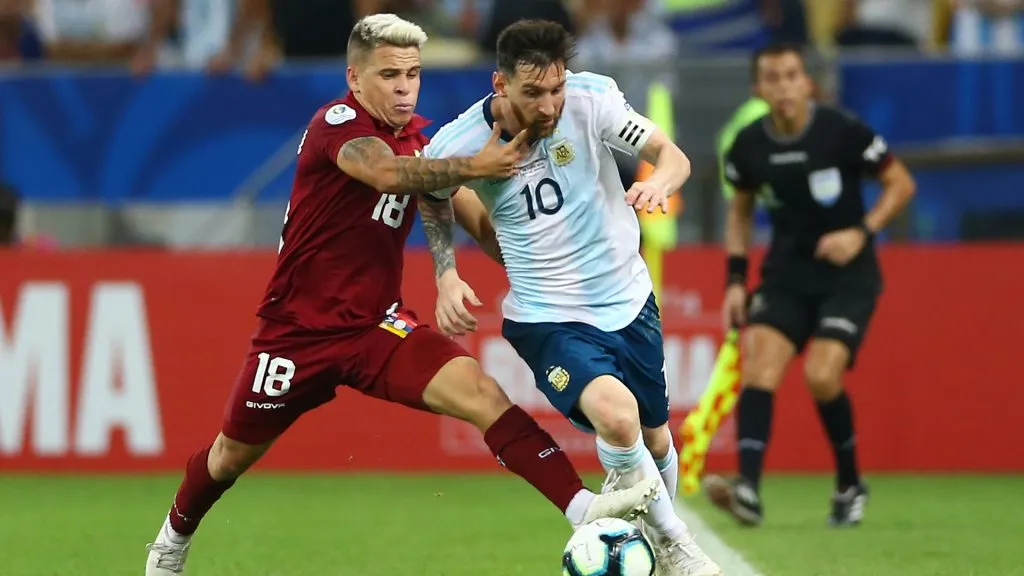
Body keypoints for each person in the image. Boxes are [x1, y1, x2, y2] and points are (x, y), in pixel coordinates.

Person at [143, 14, 661, 576]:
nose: (403, 87)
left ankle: (582, 507)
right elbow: (390, 175)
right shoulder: (336, 124)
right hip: (297, 334)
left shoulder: (423, 141)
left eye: (412, 74)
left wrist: (506, 273)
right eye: (389, 75)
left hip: (376, 329)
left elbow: (476, 221)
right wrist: (478, 164)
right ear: (355, 78)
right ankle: (172, 540)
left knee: (482, 395)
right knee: (229, 457)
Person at [419, 19, 722, 576]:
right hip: (547, 316)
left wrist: (659, 182)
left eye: (555, 88)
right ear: (501, 83)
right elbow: (432, 193)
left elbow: (672, 154)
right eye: (533, 92)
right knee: (619, 416)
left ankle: (645, 530)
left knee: (654, 438)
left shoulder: (592, 98)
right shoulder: (460, 141)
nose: (549, 104)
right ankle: (679, 546)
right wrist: (446, 273)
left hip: (628, 299)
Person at [702, 43, 916, 527]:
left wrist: (860, 232)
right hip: (787, 275)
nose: (782, 87)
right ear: (758, 89)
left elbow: (901, 182)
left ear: (807, 84)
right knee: (760, 363)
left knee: (822, 375)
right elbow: (740, 211)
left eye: (791, 76)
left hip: (849, 276)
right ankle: (748, 491)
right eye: (772, 78)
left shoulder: (842, 132)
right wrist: (736, 280)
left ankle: (848, 483)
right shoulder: (749, 145)